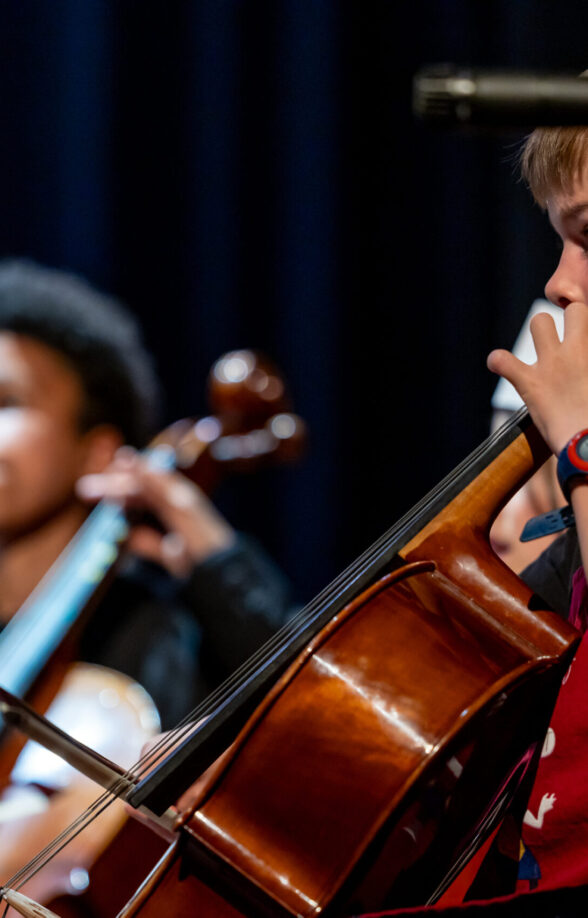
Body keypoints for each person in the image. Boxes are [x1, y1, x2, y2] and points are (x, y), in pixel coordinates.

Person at [0, 258, 293, 732]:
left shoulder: (167, 640)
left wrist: (216, 561)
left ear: (97, 453)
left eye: (7, 402)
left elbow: (316, 713)